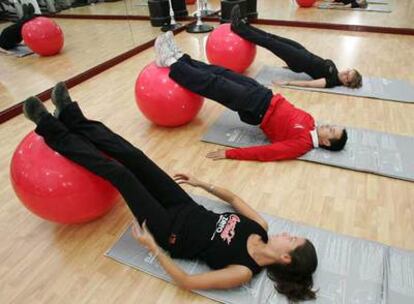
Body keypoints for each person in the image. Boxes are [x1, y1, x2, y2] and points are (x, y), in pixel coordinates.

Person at [22, 82, 318, 302]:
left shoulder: (243, 269)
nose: (286, 234)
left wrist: (153, 246)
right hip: (185, 205)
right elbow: (235, 200)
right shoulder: (261, 228)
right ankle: (72, 117)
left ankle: (50, 127)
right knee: (136, 156)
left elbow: (188, 281)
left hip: (169, 231)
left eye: (291, 240)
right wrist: (201, 182)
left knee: (120, 174)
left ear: (286, 259)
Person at [154, 32, 348, 162]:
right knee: (219, 72)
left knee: (214, 84)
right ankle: (180, 57)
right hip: (263, 94)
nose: (329, 125)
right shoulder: (311, 122)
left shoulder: (301, 144)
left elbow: (267, 153)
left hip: (256, 107)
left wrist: (229, 153)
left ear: (326, 143)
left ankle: (171, 63)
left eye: (331, 131)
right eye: (333, 126)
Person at [229, 5, 363, 89]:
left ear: (346, 84)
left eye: (347, 77)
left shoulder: (331, 81)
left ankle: (238, 27)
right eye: (348, 71)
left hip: (299, 59)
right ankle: (243, 24)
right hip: (302, 53)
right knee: (271, 37)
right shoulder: (335, 70)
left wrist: (288, 83)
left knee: (268, 43)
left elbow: (309, 84)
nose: (345, 73)